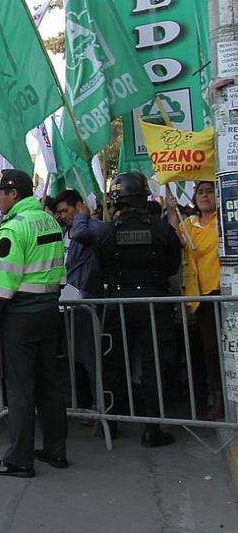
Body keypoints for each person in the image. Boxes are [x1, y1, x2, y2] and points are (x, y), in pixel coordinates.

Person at [0, 169, 67, 478]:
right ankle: (56, 449)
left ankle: (19, 460)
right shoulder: (50, 221)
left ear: (13, 194)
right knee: (49, 384)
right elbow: (59, 271)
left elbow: (4, 280)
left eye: (0, 193)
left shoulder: (14, 228)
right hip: (49, 309)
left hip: (21, 315)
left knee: (20, 389)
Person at [96, 172, 181, 447]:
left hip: (118, 304)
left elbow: (99, 269)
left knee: (113, 364)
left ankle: (110, 423)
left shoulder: (106, 232)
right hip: (154, 303)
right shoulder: (162, 229)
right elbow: (171, 267)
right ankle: (152, 428)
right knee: (154, 364)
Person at [168, 181, 223, 420]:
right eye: (200, 192)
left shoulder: (224, 220)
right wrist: (170, 209)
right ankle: (216, 396)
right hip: (201, 299)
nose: (204, 196)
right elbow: (173, 238)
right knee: (208, 352)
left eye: (209, 191)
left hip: (223, 292)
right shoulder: (188, 225)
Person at [54, 189, 104, 413]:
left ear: (79, 207)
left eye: (66, 210)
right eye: (59, 212)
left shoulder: (93, 229)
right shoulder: (61, 232)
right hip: (64, 302)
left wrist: (84, 217)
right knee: (70, 356)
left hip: (85, 301)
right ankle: (76, 401)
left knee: (91, 357)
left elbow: (84, 236)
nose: (62, 215)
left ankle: (99, 405)